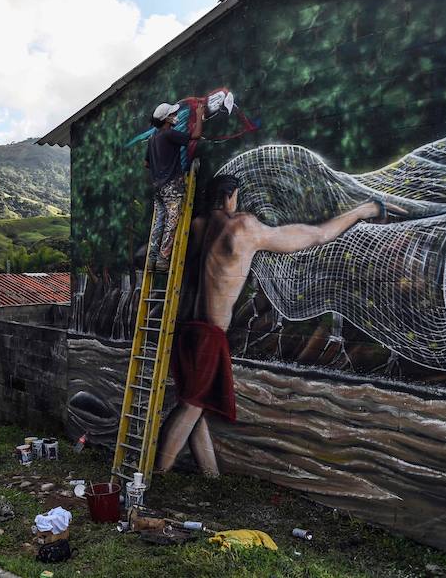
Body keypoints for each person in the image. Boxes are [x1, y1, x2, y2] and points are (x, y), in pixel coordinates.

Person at [155, 174, 392, 476]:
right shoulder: (241, 227)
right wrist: (362, 211)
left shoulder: (199, 225)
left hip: (186, 330)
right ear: (230, 196)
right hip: (209, 335)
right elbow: (316, 235)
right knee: (191, 406)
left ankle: (211, 478)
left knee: (195, 407)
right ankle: (158, 476)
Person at [145, 100, 205, 271]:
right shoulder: (169, 134)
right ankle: (163, 259)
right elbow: (196, 136)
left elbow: (146, 163)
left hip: (158, 187)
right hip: (172, 186)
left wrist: (161, 163)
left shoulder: (152, 138)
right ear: (166, 120)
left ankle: (151, 260)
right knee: (172, 221)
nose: (175, 116)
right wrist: (200, 116)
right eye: (172, 115)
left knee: (159, 221)